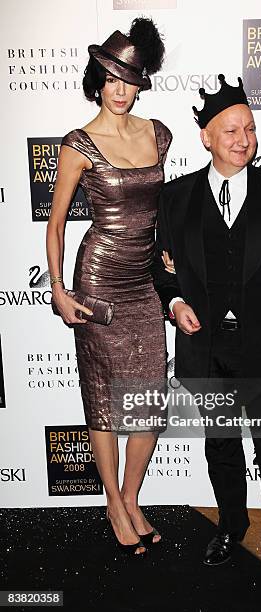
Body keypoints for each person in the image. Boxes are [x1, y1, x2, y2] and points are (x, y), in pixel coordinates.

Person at [152, 74, 261, 595]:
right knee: (221, 446)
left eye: (249, 129)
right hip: (207, 349)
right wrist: (175, 301)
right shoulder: (176, 197)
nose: (242, 139)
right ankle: (231, 527)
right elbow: (160, 268)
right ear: (206, 137)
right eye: (230, 130)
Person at [46, 18, 172, 556]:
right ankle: (114, 507)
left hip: (143, 282)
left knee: (149, 400)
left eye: (131, 79)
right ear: (97, 80)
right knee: (103, 399)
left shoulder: (158, 134)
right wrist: (57, 287)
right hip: (97, 279)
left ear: (141, 82)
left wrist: (166, 253)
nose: (121, 90)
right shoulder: (79, 144)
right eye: (112, 79)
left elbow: (160, 208)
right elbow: (56, 225)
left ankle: (130, 494)